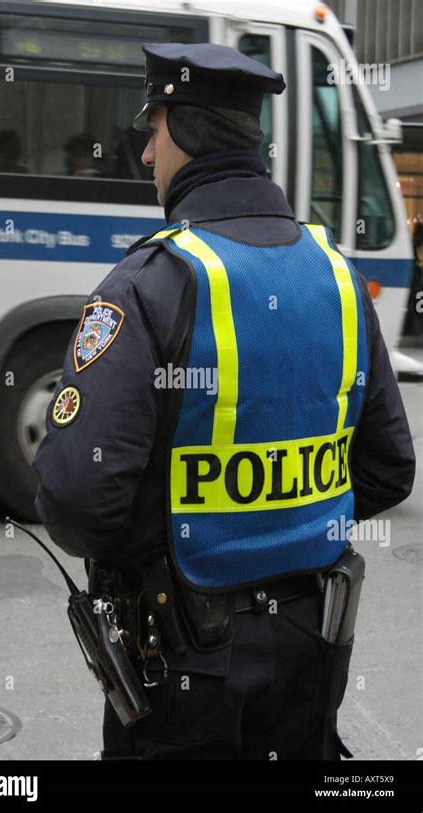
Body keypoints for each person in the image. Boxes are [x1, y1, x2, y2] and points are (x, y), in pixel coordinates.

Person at [32, 42, 416, 760]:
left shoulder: (144, 285)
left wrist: (178, 545)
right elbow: (389, 469)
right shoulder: (339, 278)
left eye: (152, 133)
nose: (147, 157)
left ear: (182, 132)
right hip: (313, 656)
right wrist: (284, 526)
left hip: (183, 670)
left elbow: (78, 500)